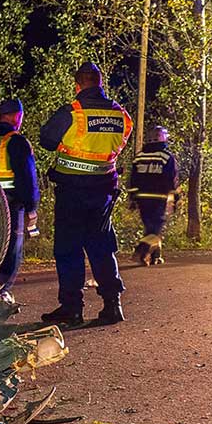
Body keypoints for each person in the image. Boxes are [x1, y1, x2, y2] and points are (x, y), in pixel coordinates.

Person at [39, 62, 133, 326]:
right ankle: (112, 306)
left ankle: (72, 309)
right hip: (104, 191)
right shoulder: (121, 115)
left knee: (69, 249)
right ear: (100, 83)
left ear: (78, 85)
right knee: (102, 246)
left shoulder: (73, 112)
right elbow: (120, 142)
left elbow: (46, 140)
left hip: (72, 190)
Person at [0, 98, 39, 303]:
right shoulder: (16, 141)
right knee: (11, 250)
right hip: (11, 205)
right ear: (16, 116)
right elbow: (27, 177)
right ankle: (1, 291)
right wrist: (31, 206)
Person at [126, 126, 179, 265]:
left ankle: (154, 256)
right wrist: (174, 197)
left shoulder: (139, 156)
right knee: (155, 228)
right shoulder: (166, 156)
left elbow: (133, 178)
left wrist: (132, 197)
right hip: (158, 197)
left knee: (150, 226)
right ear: (162, 138)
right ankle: (140, 250)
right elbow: (171, 178)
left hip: (142, 197)